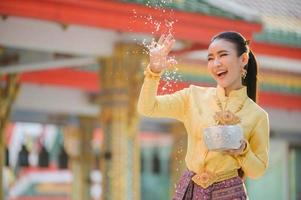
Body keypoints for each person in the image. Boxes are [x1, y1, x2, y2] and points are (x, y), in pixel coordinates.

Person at [137, 31, 269, 199]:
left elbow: (258, 170)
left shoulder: (257, 115)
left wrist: (242, 150)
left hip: (229, 194)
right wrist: (153, 71)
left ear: (243, 59)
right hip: (190, 190)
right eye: (210, 58)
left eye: (222, 55)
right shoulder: (193, 96)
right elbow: (148, 107)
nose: (216, 63)